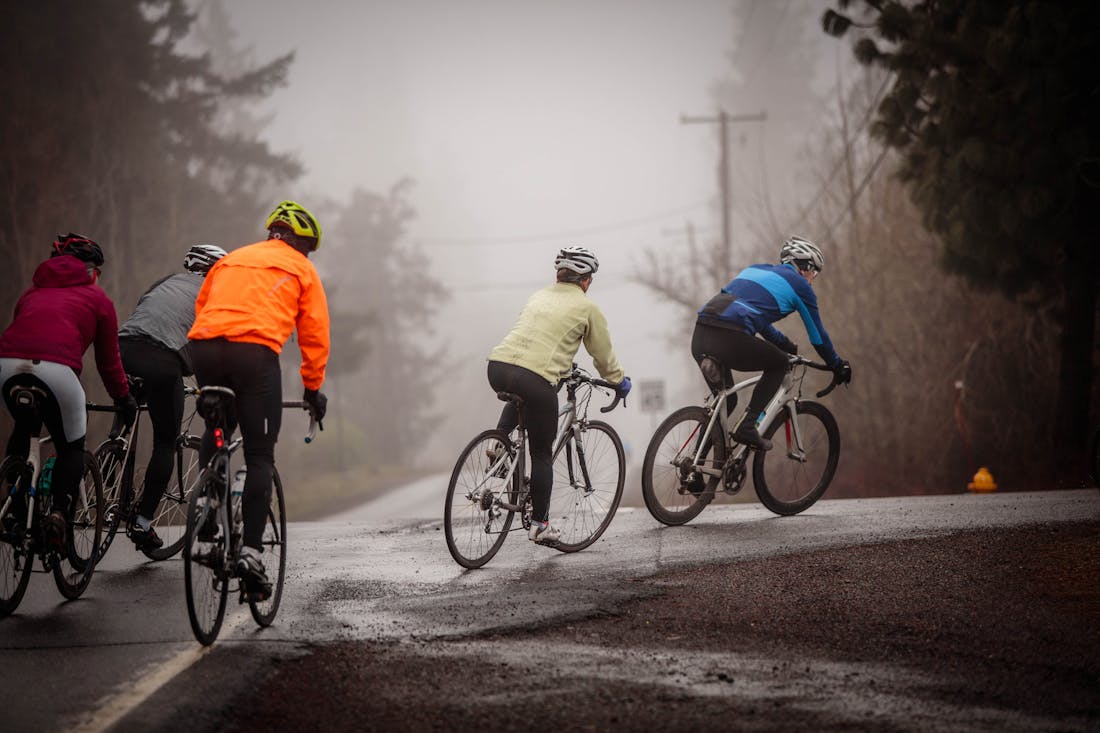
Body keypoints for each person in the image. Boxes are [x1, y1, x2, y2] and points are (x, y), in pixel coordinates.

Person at [187, 201, 329, 599]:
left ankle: (209, 507)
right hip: (253, 354)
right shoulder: (301, 268)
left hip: (204, 348)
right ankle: (250, 552)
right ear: (301, 242)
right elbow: (314, 333)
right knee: (260, 455)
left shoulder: (231, 260)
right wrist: (312, 389)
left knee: (216, 430)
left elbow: (202, 307)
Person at [487, 245, 631, 545]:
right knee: (541, 451)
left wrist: (562, 367)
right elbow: (602, 356)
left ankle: (499, 446)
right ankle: (540, 525)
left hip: (498, 367)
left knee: (522, 391)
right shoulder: (587, 307)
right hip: (534, 377)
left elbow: (537, 341)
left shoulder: (538, 296)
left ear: (559, 274)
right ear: (586, 280)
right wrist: (618, 382)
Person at [0, 234, 138, 547]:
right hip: (57, 373)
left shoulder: (30, 293)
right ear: (91, 271)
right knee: (72, 448)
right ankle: (59, 516)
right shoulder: (98, 300)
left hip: (6, 367)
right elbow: (108, 362)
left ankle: (16, 509)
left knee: (25, 427)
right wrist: (122, 397)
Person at [692, 235, 851, 451]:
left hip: (701, 333)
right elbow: (818, 337)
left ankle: (693, 468)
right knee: (779, 363)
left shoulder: (756, 269)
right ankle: (747, 426)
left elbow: (757, 319)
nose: (813, 279)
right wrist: (836, 364)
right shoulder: (801, 287)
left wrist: (785, 344)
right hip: (729, 336)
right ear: (803, 266)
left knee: (727, 401)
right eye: (814, 272)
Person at [117, 243, 228, 552]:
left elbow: (145, 313)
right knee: (165, 443)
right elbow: (210, 345)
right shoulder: (213, 294)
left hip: (123, 348)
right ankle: (142, 523)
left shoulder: (165, 282)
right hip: (162, 359)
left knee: (130, 408)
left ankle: (113, 456)